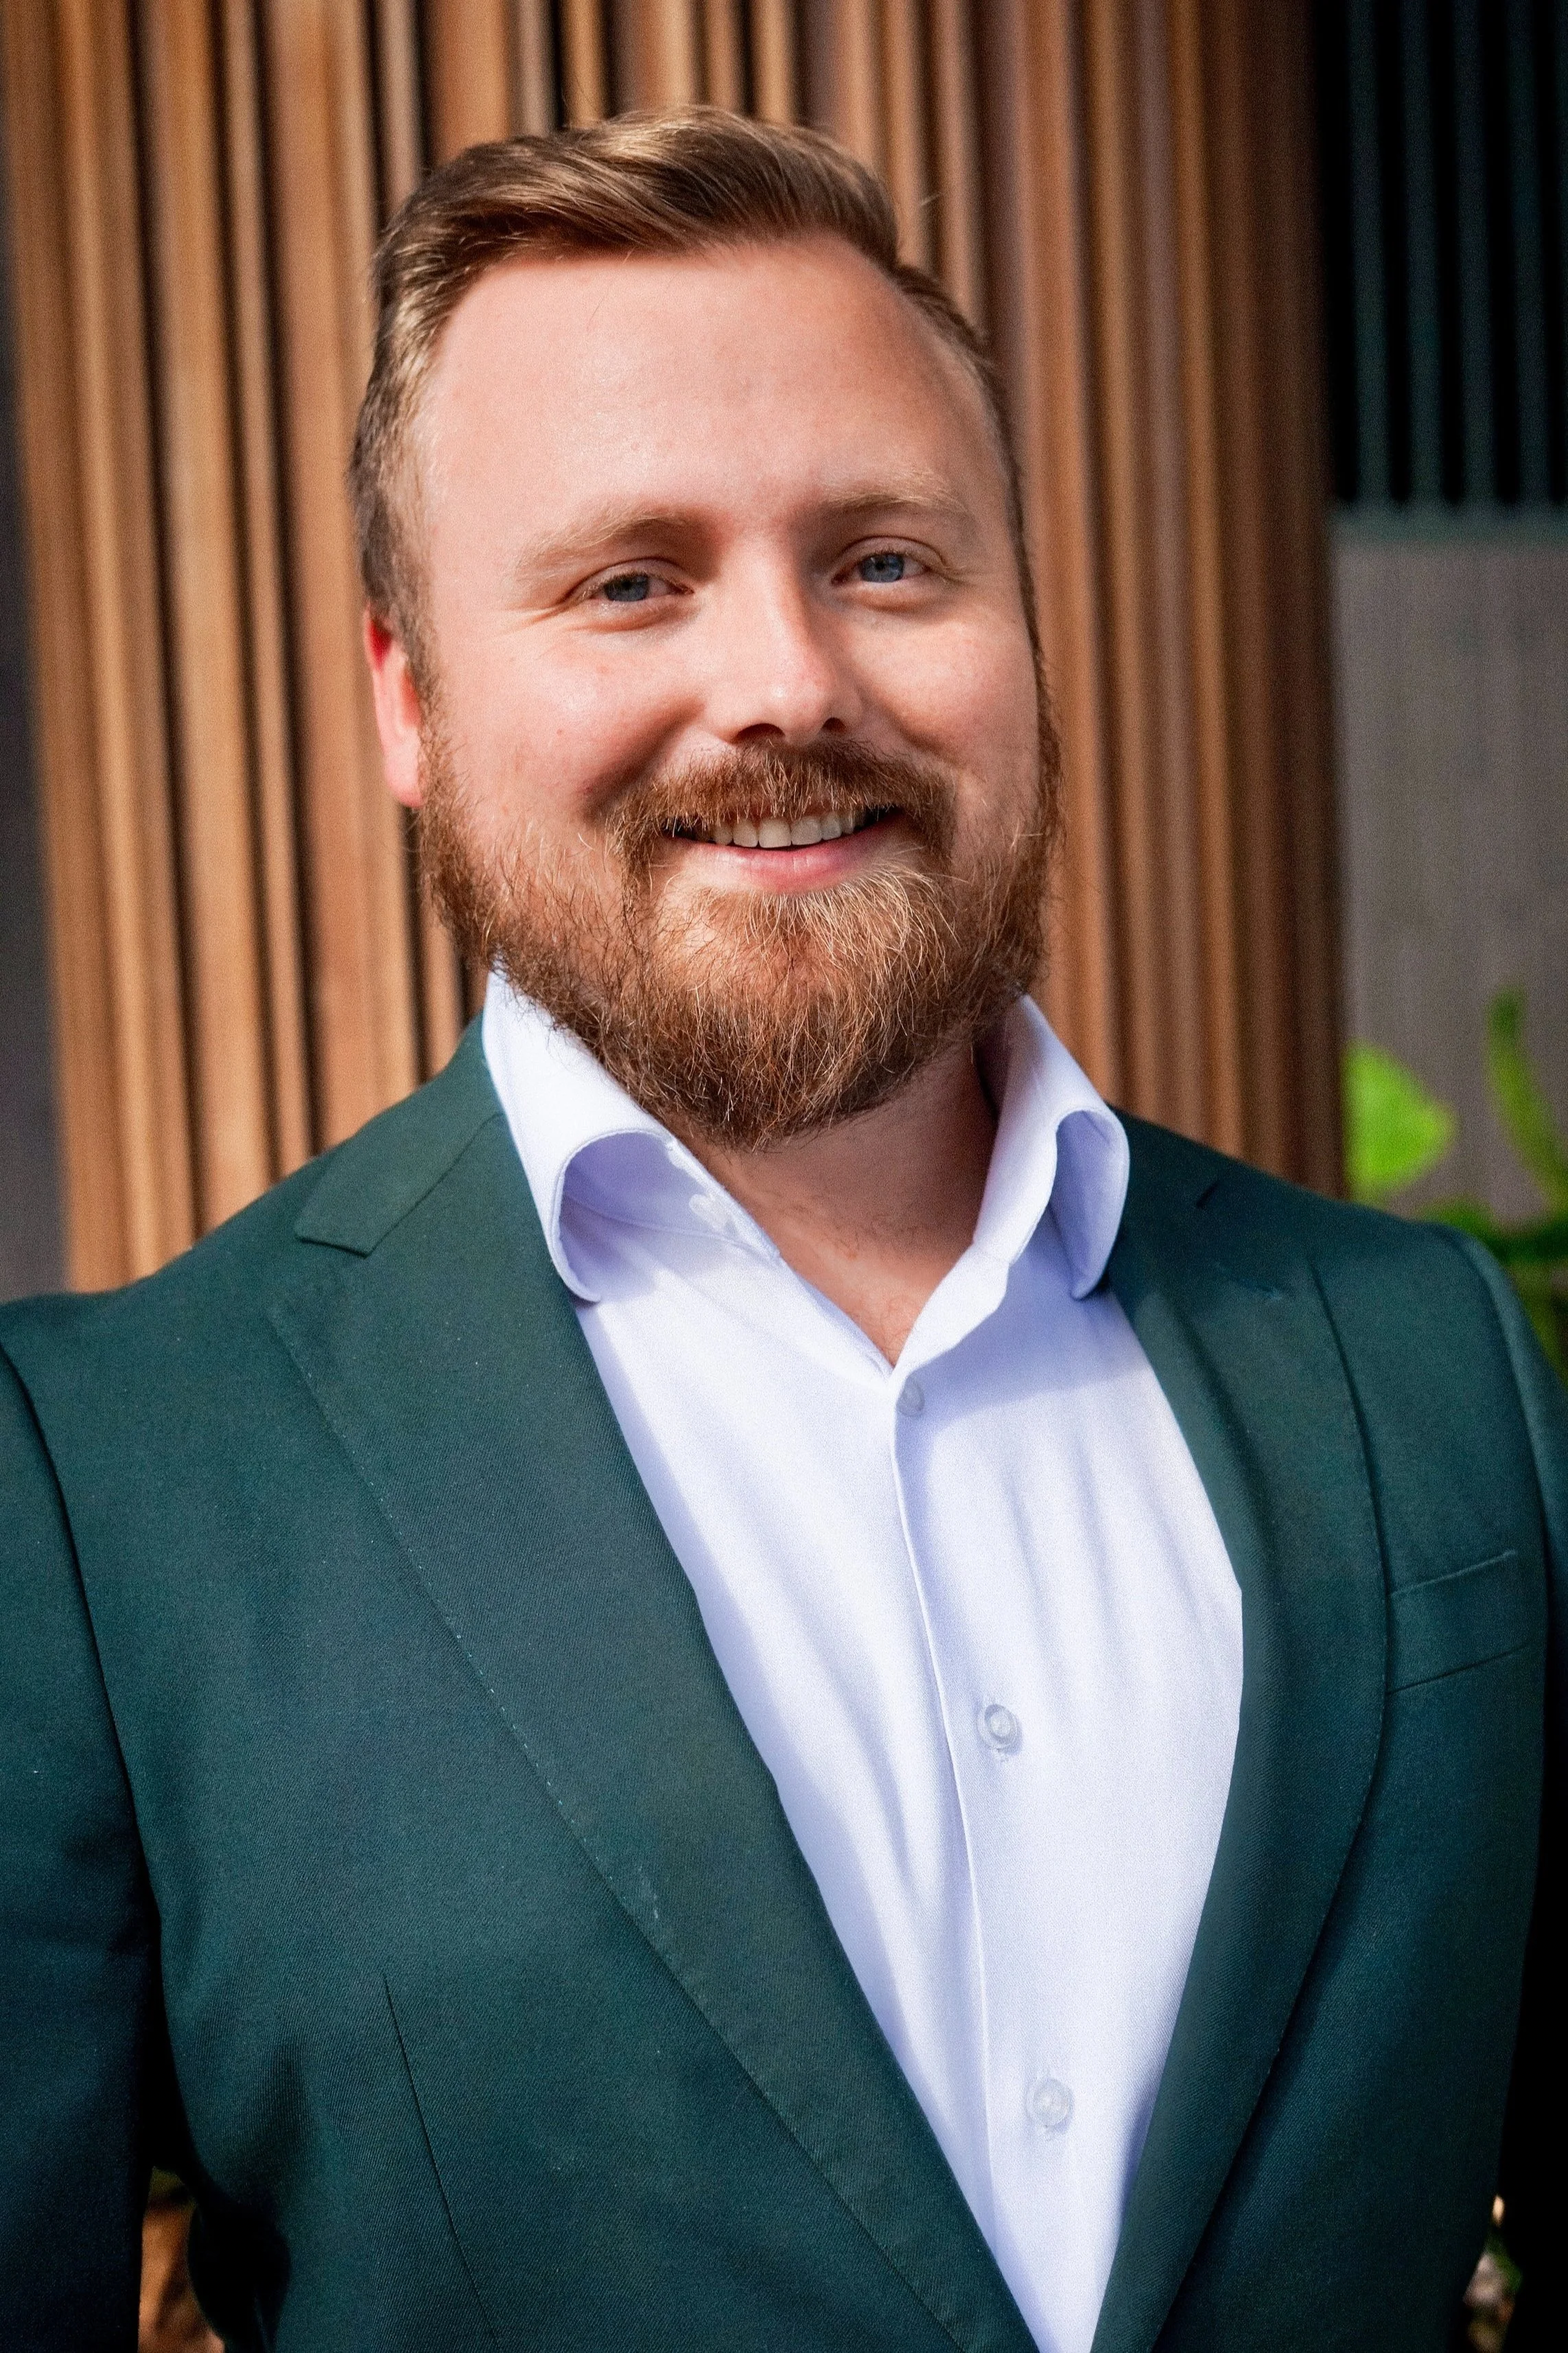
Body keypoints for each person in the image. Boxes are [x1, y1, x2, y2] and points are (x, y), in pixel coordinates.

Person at [1, 108, 1562, 2353]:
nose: (788, 682)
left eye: (888, 562)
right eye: (633, 579)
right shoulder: (100, 1476)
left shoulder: (1429, 1370)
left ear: (1025, 628)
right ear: (408, 696)